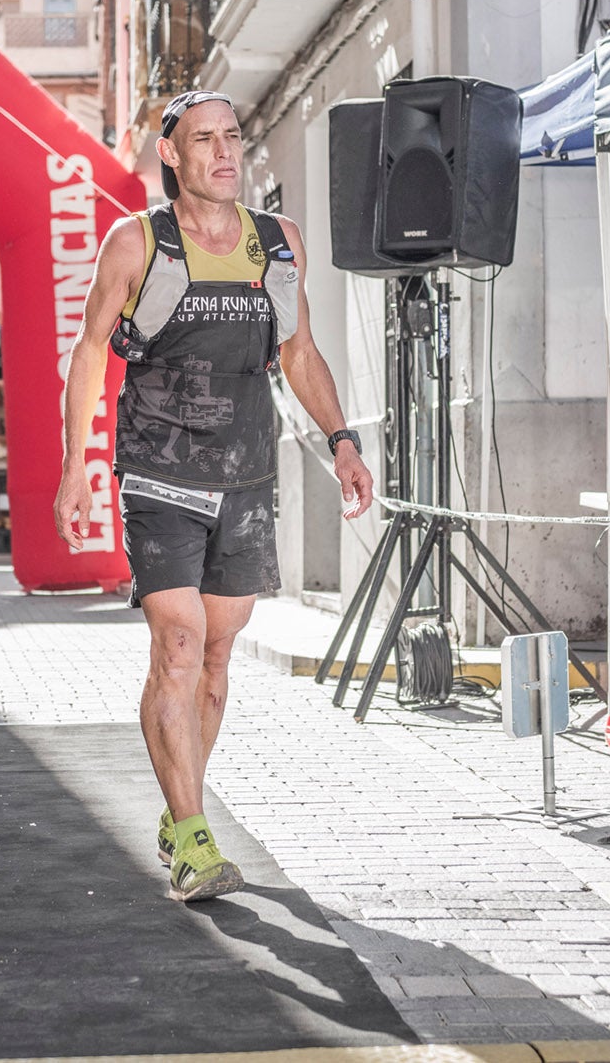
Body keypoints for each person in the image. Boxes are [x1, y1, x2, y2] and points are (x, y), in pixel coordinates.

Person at [55, 89, 375, 902]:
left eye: (233, 137)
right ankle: (195, 840)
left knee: (220, 658)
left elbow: (297, 351)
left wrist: (342, 439)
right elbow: (91, 354)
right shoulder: (137, 244)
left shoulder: (278, 243)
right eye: (206, 139)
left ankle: (179, 798)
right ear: (171, 153)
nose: (226, 152)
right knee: (180, 645)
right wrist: (75, 467)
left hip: (248, 473)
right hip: (158, 471)